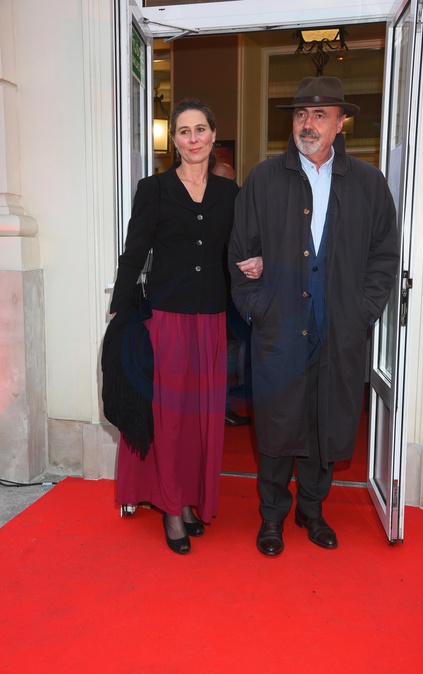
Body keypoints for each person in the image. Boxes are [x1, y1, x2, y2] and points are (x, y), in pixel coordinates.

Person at [228, 76, 399, 556]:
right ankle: (272, 517)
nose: (308, 123)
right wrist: (259, 310)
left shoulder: (367, 183)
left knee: (327, 423)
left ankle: (312, 509)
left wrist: (363, 312)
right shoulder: (264, 179)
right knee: (278, 424)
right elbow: (240, 253)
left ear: (340, 123)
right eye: (302, 114)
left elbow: (384, 255)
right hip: (280, 328)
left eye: (320, 115)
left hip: (339, 328)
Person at [106, 98, 260, 554]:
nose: (193, 139)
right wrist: (119, 309)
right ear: (174, 141)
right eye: (184, 131)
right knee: (170, 419)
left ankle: (191, 500)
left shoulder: (231, 194)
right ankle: (172, 508)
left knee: (202, 420)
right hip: (166, 322)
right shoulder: (153, 189)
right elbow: (135, 252)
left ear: (213, 136)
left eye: (200, 130)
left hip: (211, 322)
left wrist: (258, 262)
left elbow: (239, 250)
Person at [211, 159, 253, 427]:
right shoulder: (210, 210)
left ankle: (220, 405)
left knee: (232, 346)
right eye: (226, 182)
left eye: (233, 183)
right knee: (227, 348)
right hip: (213, 295)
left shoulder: (237, 209)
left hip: (231, 294)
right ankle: (219, 408)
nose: (232, 189)